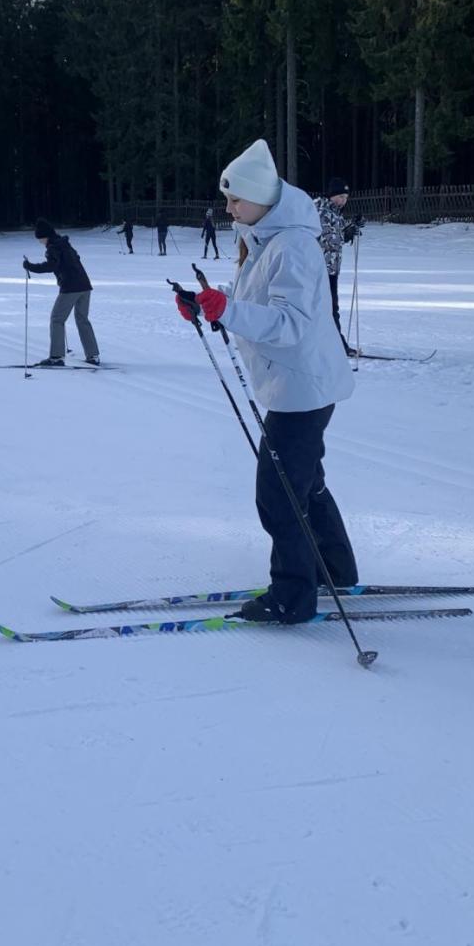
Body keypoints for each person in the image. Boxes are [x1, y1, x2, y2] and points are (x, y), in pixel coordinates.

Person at [175, 139, 358, 624]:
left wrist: (229, 311)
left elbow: (289, 323)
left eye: (236, 199)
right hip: (298, 384)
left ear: (261, 197)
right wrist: (210, 302)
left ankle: (292, 597)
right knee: (305, 483)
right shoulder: (266, 238)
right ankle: (335, 569)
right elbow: (253, 297)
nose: (229, 208)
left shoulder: (293, 246)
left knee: (279, 494)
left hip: (302, 388)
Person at [23, 218, 100, 366]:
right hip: (85, 286)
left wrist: (30, 266)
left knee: (57, 319)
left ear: (46, 236)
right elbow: (74, 260)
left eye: (40, 238)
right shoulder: (64, 244)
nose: (40, 242)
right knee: (82, 320)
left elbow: (51, 266)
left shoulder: (53, 247)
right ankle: (93, 355)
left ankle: (56, 357)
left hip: (71, 288)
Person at [313, 177, 362, 355]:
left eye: (346, 197)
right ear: (331, 195)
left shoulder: (334, 212)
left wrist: (351, 228)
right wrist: (345, 234)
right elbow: (326, 238)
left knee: (329, 307)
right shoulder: (321, 211)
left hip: (331, 268)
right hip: (319, 269)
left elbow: (337, 234)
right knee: (329, 308)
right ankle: (337, 345)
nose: (343, 201)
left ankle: (329, 343)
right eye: (340, 196)